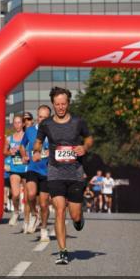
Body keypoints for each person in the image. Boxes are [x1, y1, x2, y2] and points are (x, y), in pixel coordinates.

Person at [33, 87, 93, 265]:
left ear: (68, 103)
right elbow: (38, 141)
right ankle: (63, 251)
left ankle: (79, 218)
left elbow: (89, 138)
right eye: (57, 104)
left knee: (74, 214)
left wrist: (85, 147)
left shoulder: (78, 122)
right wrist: (36, 150)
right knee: (59, 210)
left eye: (63, 104)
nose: (60, 107)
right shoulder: (46, 124)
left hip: (75, 173)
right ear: (53, 104)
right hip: (55, 172)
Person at [20, 107, 52, 240]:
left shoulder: (53, 131)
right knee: (31, 194)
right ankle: (34, 214)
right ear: (37, 117)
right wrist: (23, 155)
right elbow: (22, 146)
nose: (42, 119)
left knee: (44, 204)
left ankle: (44, 228)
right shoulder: (30, 130)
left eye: (45, 117)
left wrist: (52, 153)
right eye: (40, 117)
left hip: (47, 171)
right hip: (33, 168)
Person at [5, 115, 27, 226]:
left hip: (26, 168)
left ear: (23, 124)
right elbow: (4, 152)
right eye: (15, 123)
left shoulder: (27, 137)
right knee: (15, 194)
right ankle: (16, 212)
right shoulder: (9, 138)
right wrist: (10, 152)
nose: (17, 125)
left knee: (29, 196)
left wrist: (24, 151)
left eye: (19, 122)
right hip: (15, 168)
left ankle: (29, 218)